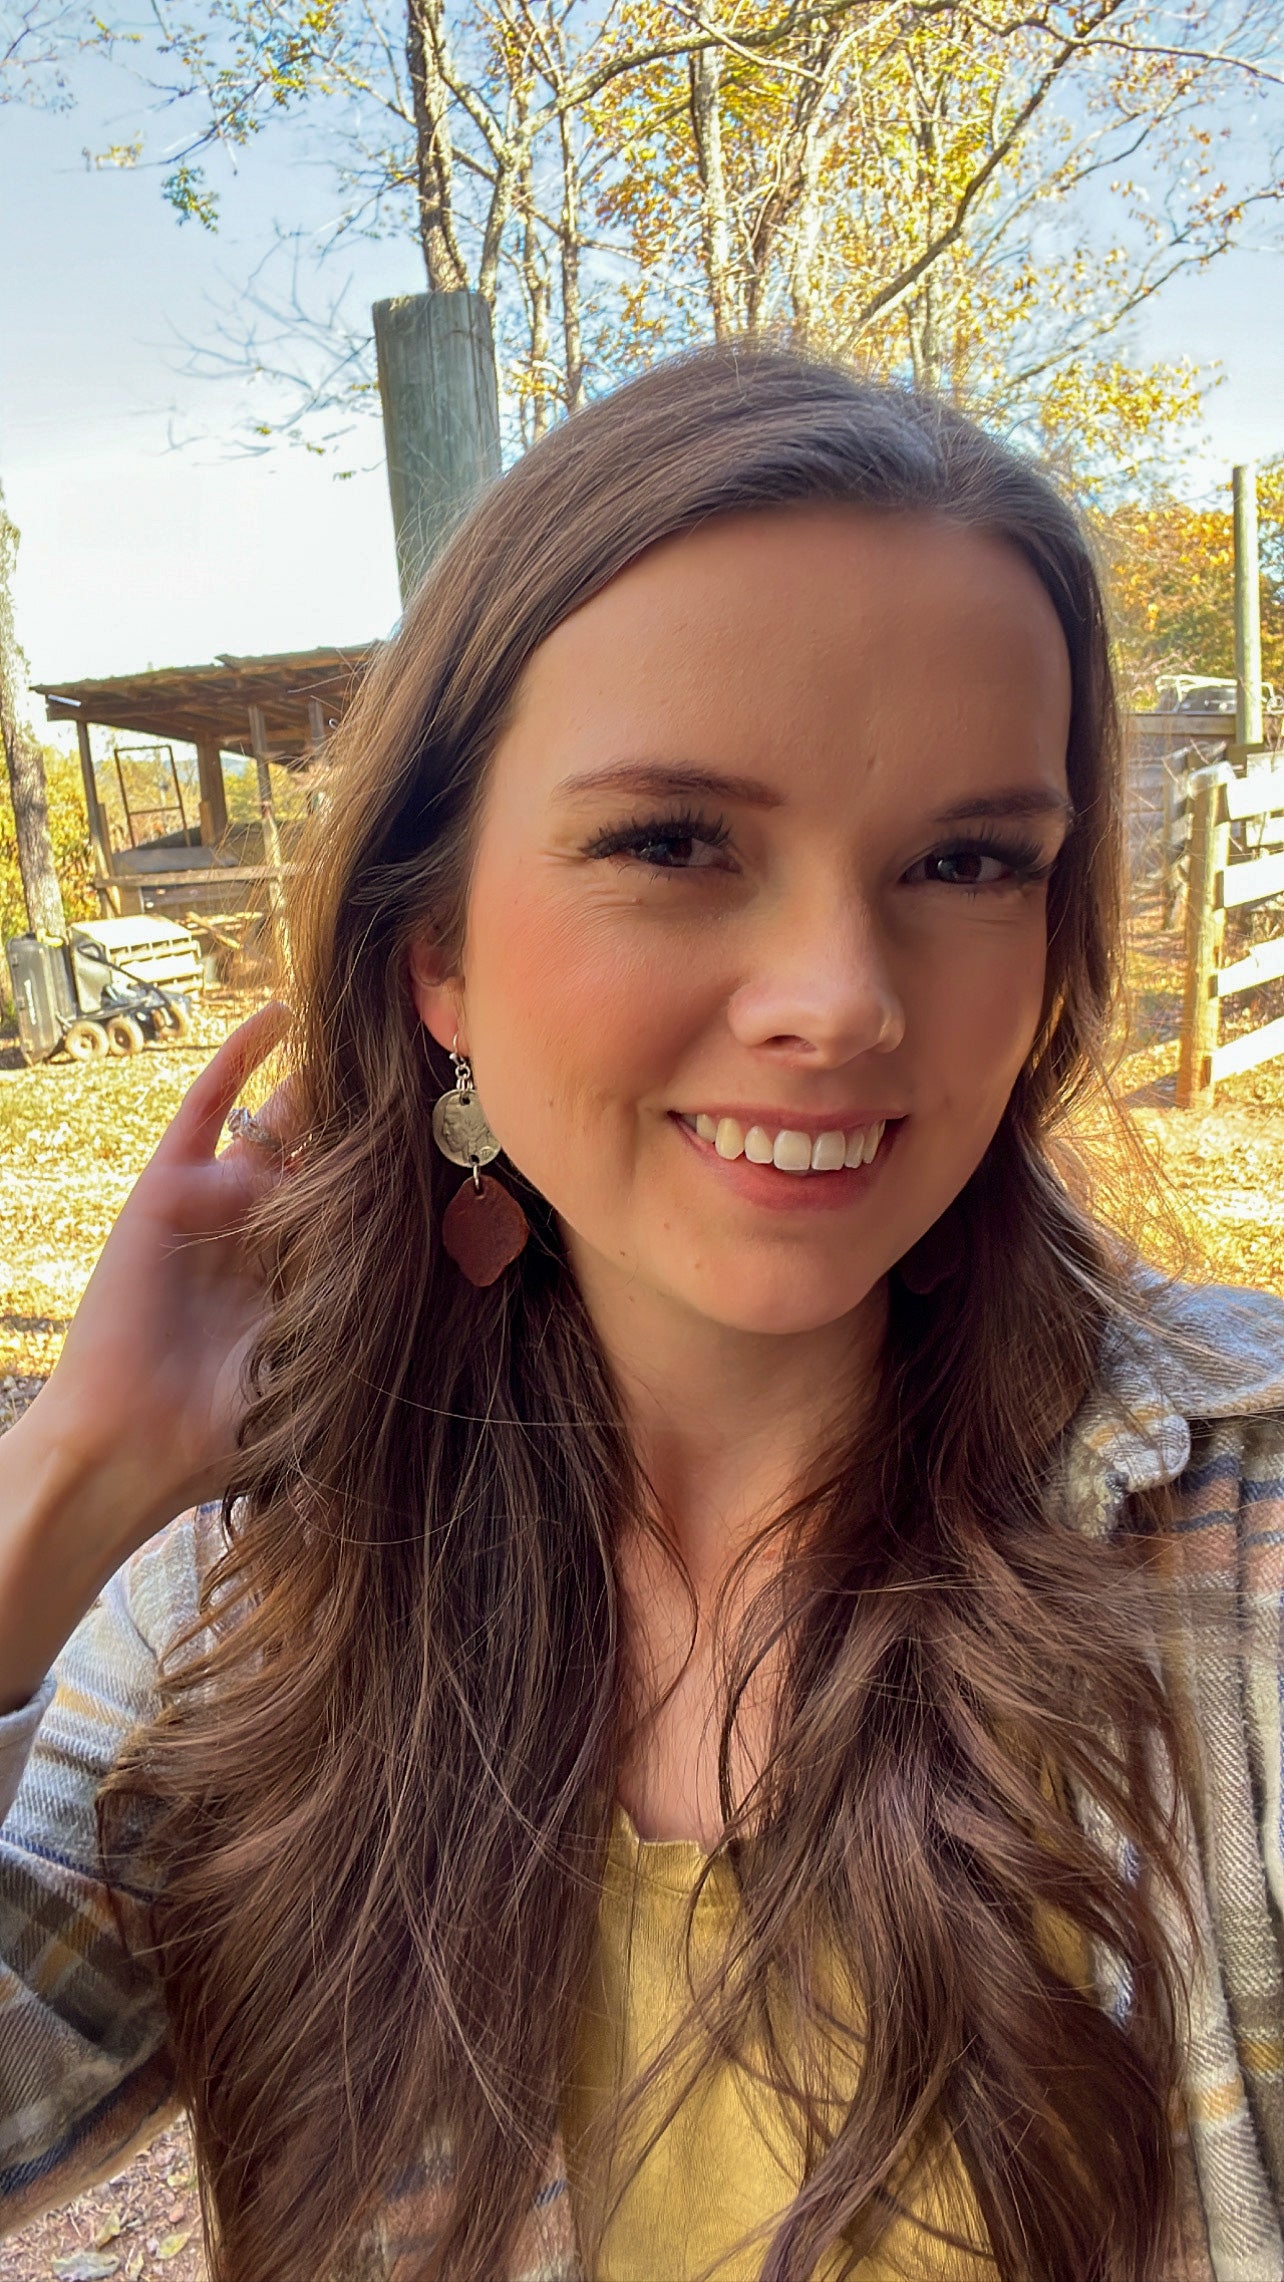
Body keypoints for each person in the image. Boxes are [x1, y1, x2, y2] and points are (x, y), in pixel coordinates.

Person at [0, 345, 1281, 2282]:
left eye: (966, 861)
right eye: (677, 843)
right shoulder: (225, 1620)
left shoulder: (1238, 1539)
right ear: (435, 952)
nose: (841, 997)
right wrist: (73, 1482)